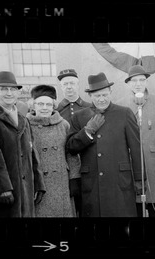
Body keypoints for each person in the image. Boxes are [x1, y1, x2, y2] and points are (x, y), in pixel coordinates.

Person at [65, 72, 143, 217]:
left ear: (110, 92)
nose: (101, 99)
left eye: (104, 95)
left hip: (119, 182)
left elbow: (136, 148)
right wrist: (87, 131)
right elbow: (71, 147)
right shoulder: (79, 117)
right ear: (90, 96)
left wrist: (140, 179)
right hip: (92, 183)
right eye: (97, 96)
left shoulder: (124, 113)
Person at [117, 65, 155, 217]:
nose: (138, 84)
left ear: (146, 82)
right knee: (134, 204)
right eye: (134, 80)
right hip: (131, 162)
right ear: (128, 83)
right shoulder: (122, 105)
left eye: (142, 80)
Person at [0, 71, 46, 217]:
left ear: (17, 93)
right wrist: (3, 187)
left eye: (13, 89)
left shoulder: (24, 120)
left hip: (26, 191)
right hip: (3, 193)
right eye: (4, 89)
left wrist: (39, 184)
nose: (9, 93)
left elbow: (32, 153)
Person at [26, 84, 77, 217]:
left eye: (48, 104)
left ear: (54, 106)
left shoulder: (63, 124)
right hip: (39, 186)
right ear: (33, 105)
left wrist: (74, 179)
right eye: (40, 104)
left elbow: (71, 155)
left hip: (61, 183)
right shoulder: (25, 125)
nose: (44, 108)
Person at [57, 68, 91, 217]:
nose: (69, 87)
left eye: (72, 83)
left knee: (87, 205)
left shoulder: (90, 108)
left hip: (88, 162)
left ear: (78, 85)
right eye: (65, 84)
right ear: (61, 87)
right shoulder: (55, 111)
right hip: (65, 167)